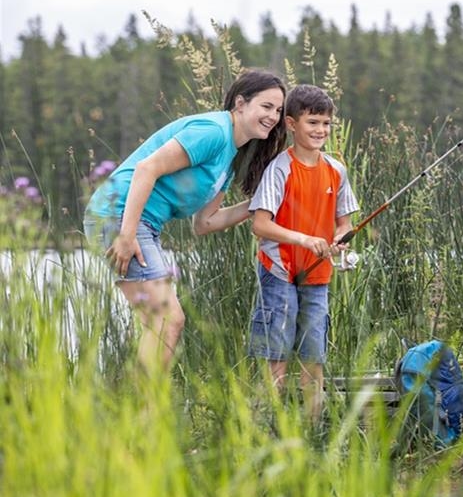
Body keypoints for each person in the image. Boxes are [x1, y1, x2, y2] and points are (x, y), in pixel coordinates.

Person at [83, 69, 288, 374]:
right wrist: (126, 237)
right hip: (118, 215)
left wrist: (263, 203)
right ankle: (146, 412)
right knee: (166, 319)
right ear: (241, 104)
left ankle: (140, 409)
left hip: (143, 226)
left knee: (159, 322)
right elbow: (146, 169)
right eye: (267, 106)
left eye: (279, 110)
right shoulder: (213, 132)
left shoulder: (229, 158)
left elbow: (204, 223)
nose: (274, 116)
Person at [247, 84, 359, 419]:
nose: (320, 130)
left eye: (325, 124)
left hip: (318, 277)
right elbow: (261, 225)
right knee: (276, 356)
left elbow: (345, 224)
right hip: (279, 272)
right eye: (313, 123)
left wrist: (339, 239)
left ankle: (314, 431)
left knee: (314, 357)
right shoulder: (279, 168)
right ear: (291, 124)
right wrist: (305, 239)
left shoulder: (336, 171)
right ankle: (262, 429)